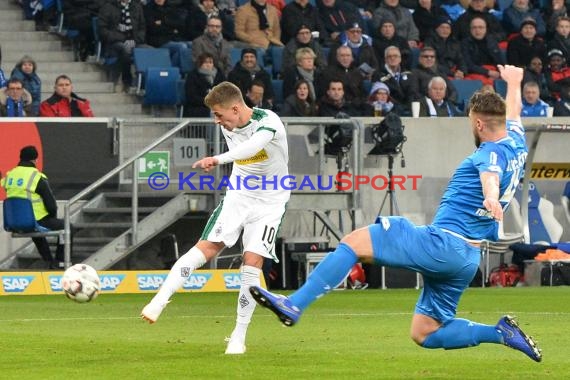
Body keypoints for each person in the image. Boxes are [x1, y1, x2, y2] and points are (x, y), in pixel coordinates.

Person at [250, 65, 543, 363]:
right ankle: (500, 333)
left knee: (354, 242)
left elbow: (490, 176)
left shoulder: (488, 153)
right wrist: (515, 82)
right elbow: (516, 113)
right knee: (425, 333)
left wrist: (491, 197)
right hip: (467, 259)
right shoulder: (516, 142)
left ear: (479, 124)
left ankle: (294, 305)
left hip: (443, 244)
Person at [141, 81, 290, 356]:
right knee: (206, 247)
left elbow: (252, 146)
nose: (216, 120)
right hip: (239, 196)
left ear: (235, 108)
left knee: (252, 261)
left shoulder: (268, 121)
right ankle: (159, 301)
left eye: (219, 114)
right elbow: (242, 153)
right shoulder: (227, 124)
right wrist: (222, 160)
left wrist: (217, 159)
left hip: (270, 202)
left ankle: (238, 335)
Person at [1, 146, 67, 269]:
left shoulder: (10, 175)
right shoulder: (37, 177)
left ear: (20, 158)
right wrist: (52, 218)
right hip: (36, 219)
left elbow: (4, 183)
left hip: (14, 222)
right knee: (67, 227)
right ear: (35, 160)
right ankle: (60, 261)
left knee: (34, 227)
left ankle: (49, 261)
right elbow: (51, 205)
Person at [98, 0, 146, 91]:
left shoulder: (137, 7)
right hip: (114, 43)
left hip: (135, 42)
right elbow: (102, 31)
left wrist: (135, 41)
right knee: (125, 49)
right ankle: (127, 81)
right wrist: (122, 38)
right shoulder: (107, 7)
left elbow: (142, 28)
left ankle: (144, 86)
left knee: (150, 51)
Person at [461, 16, 506, 86]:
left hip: (494, 72)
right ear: (470, 29)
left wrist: (498, 73)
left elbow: (500, 62)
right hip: (476, 73)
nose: (477, 30)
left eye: (480, 27)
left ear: (486, 29)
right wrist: (487, 72)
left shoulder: (492, 42)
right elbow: (468, 65)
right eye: (474, 27)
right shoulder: (465, 43)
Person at [183, 53, 226, 117]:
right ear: (200, 64)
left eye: (210, 62)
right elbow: (191, 97)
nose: (208, 65)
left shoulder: (220, 75)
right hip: (199, 106)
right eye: (205, 62)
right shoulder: (193, 76)